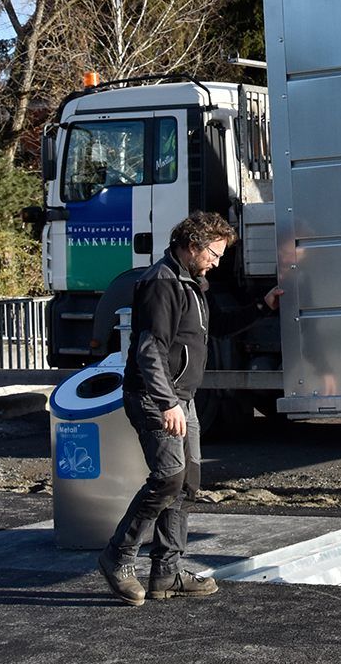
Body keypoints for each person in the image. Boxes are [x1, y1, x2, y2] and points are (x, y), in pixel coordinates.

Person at [98, 212, 281, 605]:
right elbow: (150, 349)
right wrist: (167, 403)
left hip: (182, 397)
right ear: (192, 245)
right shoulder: (161, 283)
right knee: (167, 477)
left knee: (186, 484)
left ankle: (166, 573)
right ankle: (118, 555)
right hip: (155, 397)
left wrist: (263, 307)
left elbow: (215, 327)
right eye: (213, 253)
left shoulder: (193, 282)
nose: (217, 261)